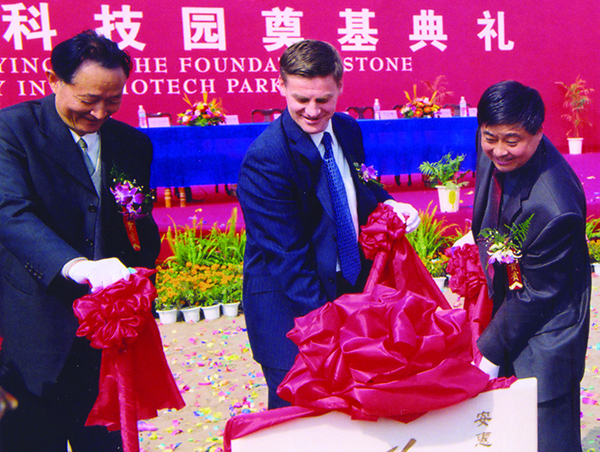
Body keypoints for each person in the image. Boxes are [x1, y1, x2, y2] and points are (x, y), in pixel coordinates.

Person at [237, 39, 420, 409]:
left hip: (350, 287)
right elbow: (289, 260)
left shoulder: (347, 129)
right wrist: (331, 327)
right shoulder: (268, 158)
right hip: (292, 306)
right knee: (301, 414)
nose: (312, 111)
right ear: (281, 86)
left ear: (340, 86)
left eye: (323, 99)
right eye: (301, 99)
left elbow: (359, 184)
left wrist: (388, 203)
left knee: (358, 407)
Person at [0, 30, 160, 451]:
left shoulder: (132, 144)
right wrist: (77, 266)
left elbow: (138, 227)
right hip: (33, 333)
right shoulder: (12, 130)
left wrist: (141, 291)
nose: (100, 112)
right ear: (53, 79)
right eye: (89, 99)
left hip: (104, 342)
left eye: (113, 100)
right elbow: (10, 212)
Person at [456, 80, 589, 451]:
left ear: (538, 132)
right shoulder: (494, 143)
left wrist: (489, 353)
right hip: (509, 309)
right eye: (490, 138)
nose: (499, 151)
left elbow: (538, 293)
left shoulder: (555, 207)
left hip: (546, 335)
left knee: (547, 437)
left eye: (511, 141)